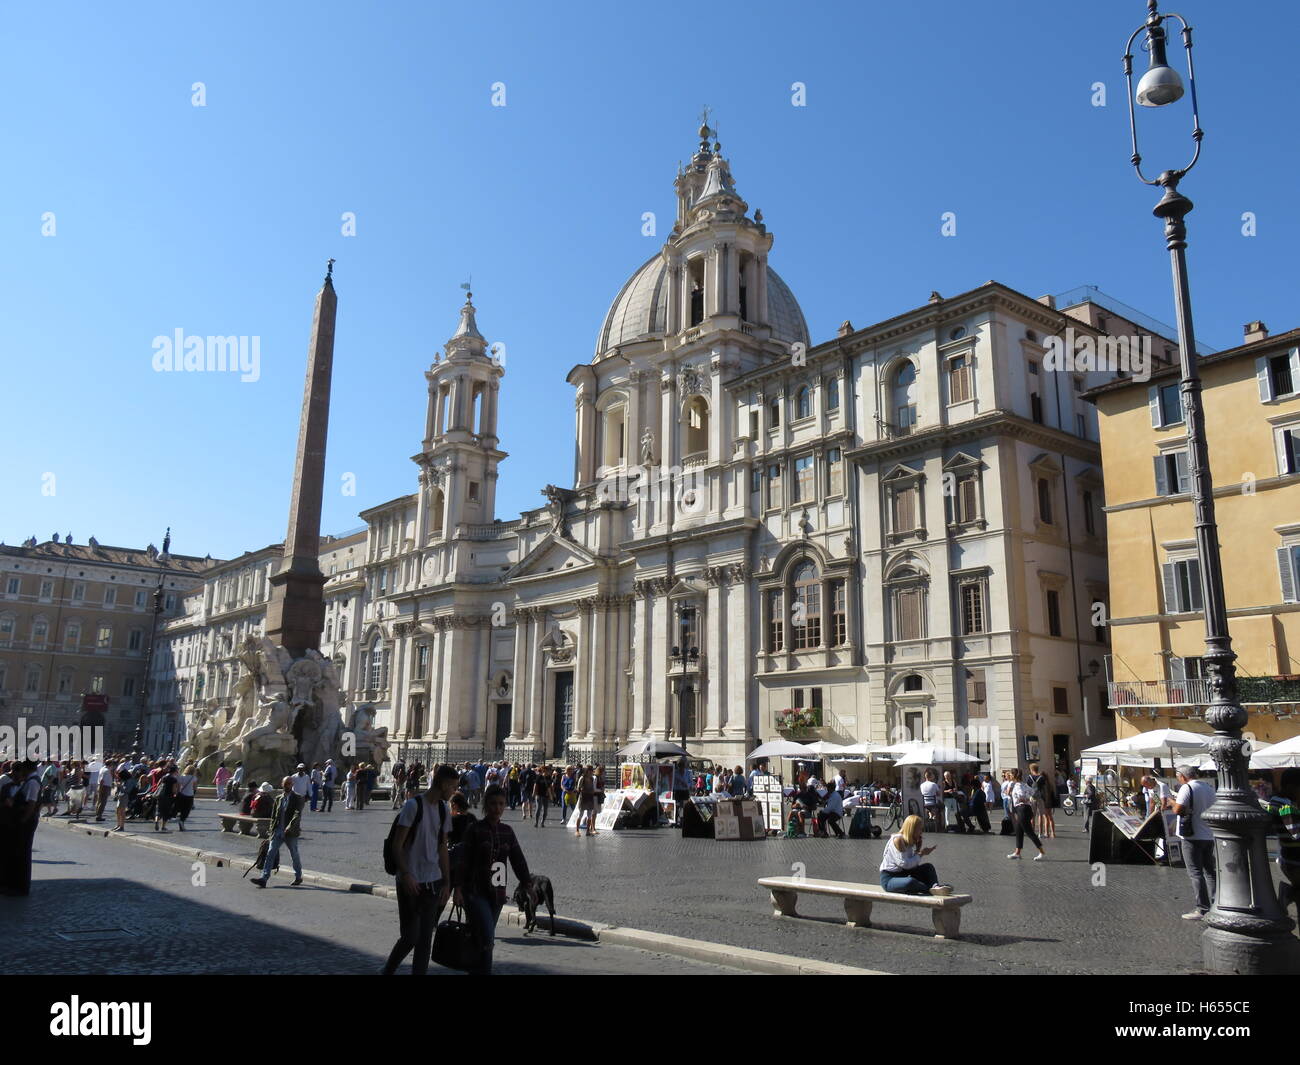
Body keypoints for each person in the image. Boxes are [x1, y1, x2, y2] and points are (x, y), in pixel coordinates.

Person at [382, 764, 458, 975]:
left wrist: (446, 881)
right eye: (452, 787)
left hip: (432, 880)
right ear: (442, 784)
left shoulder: (444, 810)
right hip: (410, 880)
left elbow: (442, 847)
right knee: (410, 936)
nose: (454, 792)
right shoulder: (413, 806)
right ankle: (388, 969)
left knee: (425, 939)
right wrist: (405, 874)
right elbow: (397, 845)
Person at [454, 784, 530, 974]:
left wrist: (527, 883)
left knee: (481, 938)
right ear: (486, 805)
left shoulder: (507, 831)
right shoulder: (474, 829)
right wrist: (458, 889)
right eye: (494, 804)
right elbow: (463, 861)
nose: (497, 808)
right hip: (475, 891)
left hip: (497, 892)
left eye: (501, 804)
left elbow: (517, 859)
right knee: (488, 938)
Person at [1171, 765, 1217, 920]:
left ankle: (1202, 908)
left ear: (1183, 776)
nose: (1178, 779)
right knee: (1210, 871)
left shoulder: (1186, 788)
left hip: (1192, 836)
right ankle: (1216, 903)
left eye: (1178, 776)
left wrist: (1172, 803)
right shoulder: (1209, 788)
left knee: (1195, 873)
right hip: (1208, 835)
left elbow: (1178, 810)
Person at [251, 777, 304, 888]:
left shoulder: (298, 798)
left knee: (294, 854)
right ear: (282, 784)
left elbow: (297, 814)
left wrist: (289, 827)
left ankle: (298, 876)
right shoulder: (278, 798)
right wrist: (272, 830)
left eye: (289, 783)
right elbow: (274, 816)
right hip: (278, 831)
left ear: (292, 784)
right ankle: (264, 878)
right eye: (285, 784)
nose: (287, 785)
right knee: (270, 853)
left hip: (291, 832)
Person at [880, 814, 950, 895]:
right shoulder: (898, 840)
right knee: (909, 882)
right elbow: (905, 864)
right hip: (889, 879)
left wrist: (917, 850)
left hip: (903, 873)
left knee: (928, 867)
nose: (921, 832)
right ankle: (929, 889)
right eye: (919, 829)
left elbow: (912, 866)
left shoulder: (909, 840)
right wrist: (921, 854)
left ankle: (935, 886)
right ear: (912, 829)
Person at [1, 761, 41, 895]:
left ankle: (20, 887)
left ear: (27, 769)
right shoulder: (28, 781)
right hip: (20, 822)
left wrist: (22, 821)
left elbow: (31, 804)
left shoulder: (32, 782)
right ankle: (13, 884)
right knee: (17, 854)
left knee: (23, 855)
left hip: (25, 823)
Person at [1266, 768, 1300, 913]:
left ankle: (1288, 893)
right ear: (1291, 787)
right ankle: (1287, 894)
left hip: (1288, 856)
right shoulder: (1286, 806)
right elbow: (1295, 833)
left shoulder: (1276, 802)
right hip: (1295, 858)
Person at [1007, 768, 1046, 860]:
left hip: (1022, 810)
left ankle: (1042, 852)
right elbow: (1033, 792)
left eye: (1010, 775)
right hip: (1027, 809)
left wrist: (1023, 798)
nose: (1009, 776)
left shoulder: (1017, 786)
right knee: (1019, 831)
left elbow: (1021, 795)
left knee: (1029, 832)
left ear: (1013, 776)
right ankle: (1017, 852)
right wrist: (1028, 798)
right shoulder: (1024, 784)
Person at [154, 763, 177, 832]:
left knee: (159, 810)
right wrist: (175, 794)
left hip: (161, 795)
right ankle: (163, 826)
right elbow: (174, 790)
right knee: (166, 812)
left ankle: (156, 821)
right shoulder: (173, 779)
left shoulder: (163, 777)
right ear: (174, 772)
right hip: (168, 796)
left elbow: (158, 785)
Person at [575, 765, 598, 836]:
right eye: (590, 770)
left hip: (590, 797)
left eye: (592, 770)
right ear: (586, 771)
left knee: (589, 815)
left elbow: (593, 787)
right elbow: (578, 788)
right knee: (581, 814)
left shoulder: (592, 778)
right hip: (583, 798)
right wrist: (581, 790)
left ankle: (588, 830)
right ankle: (577, 830)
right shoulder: (582, 778)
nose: (591, 772)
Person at [113, 765, 137, 832]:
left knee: (122, 811)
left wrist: (120, 785)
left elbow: (127, 790)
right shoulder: (125, 780)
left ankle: (121, 826)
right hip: (121, 795)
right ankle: (118, 824)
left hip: (125, 796)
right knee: (118, 810)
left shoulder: (129, 781)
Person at [175, 763, 197, 831]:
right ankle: (182, 821)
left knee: (182, 808)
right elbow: (194, 788)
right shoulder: (194, 778)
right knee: (187, 810)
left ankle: (181, 821)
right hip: (190, 795)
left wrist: (178, 793)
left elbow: (178, 787)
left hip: (182, 794)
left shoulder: (182, 777)